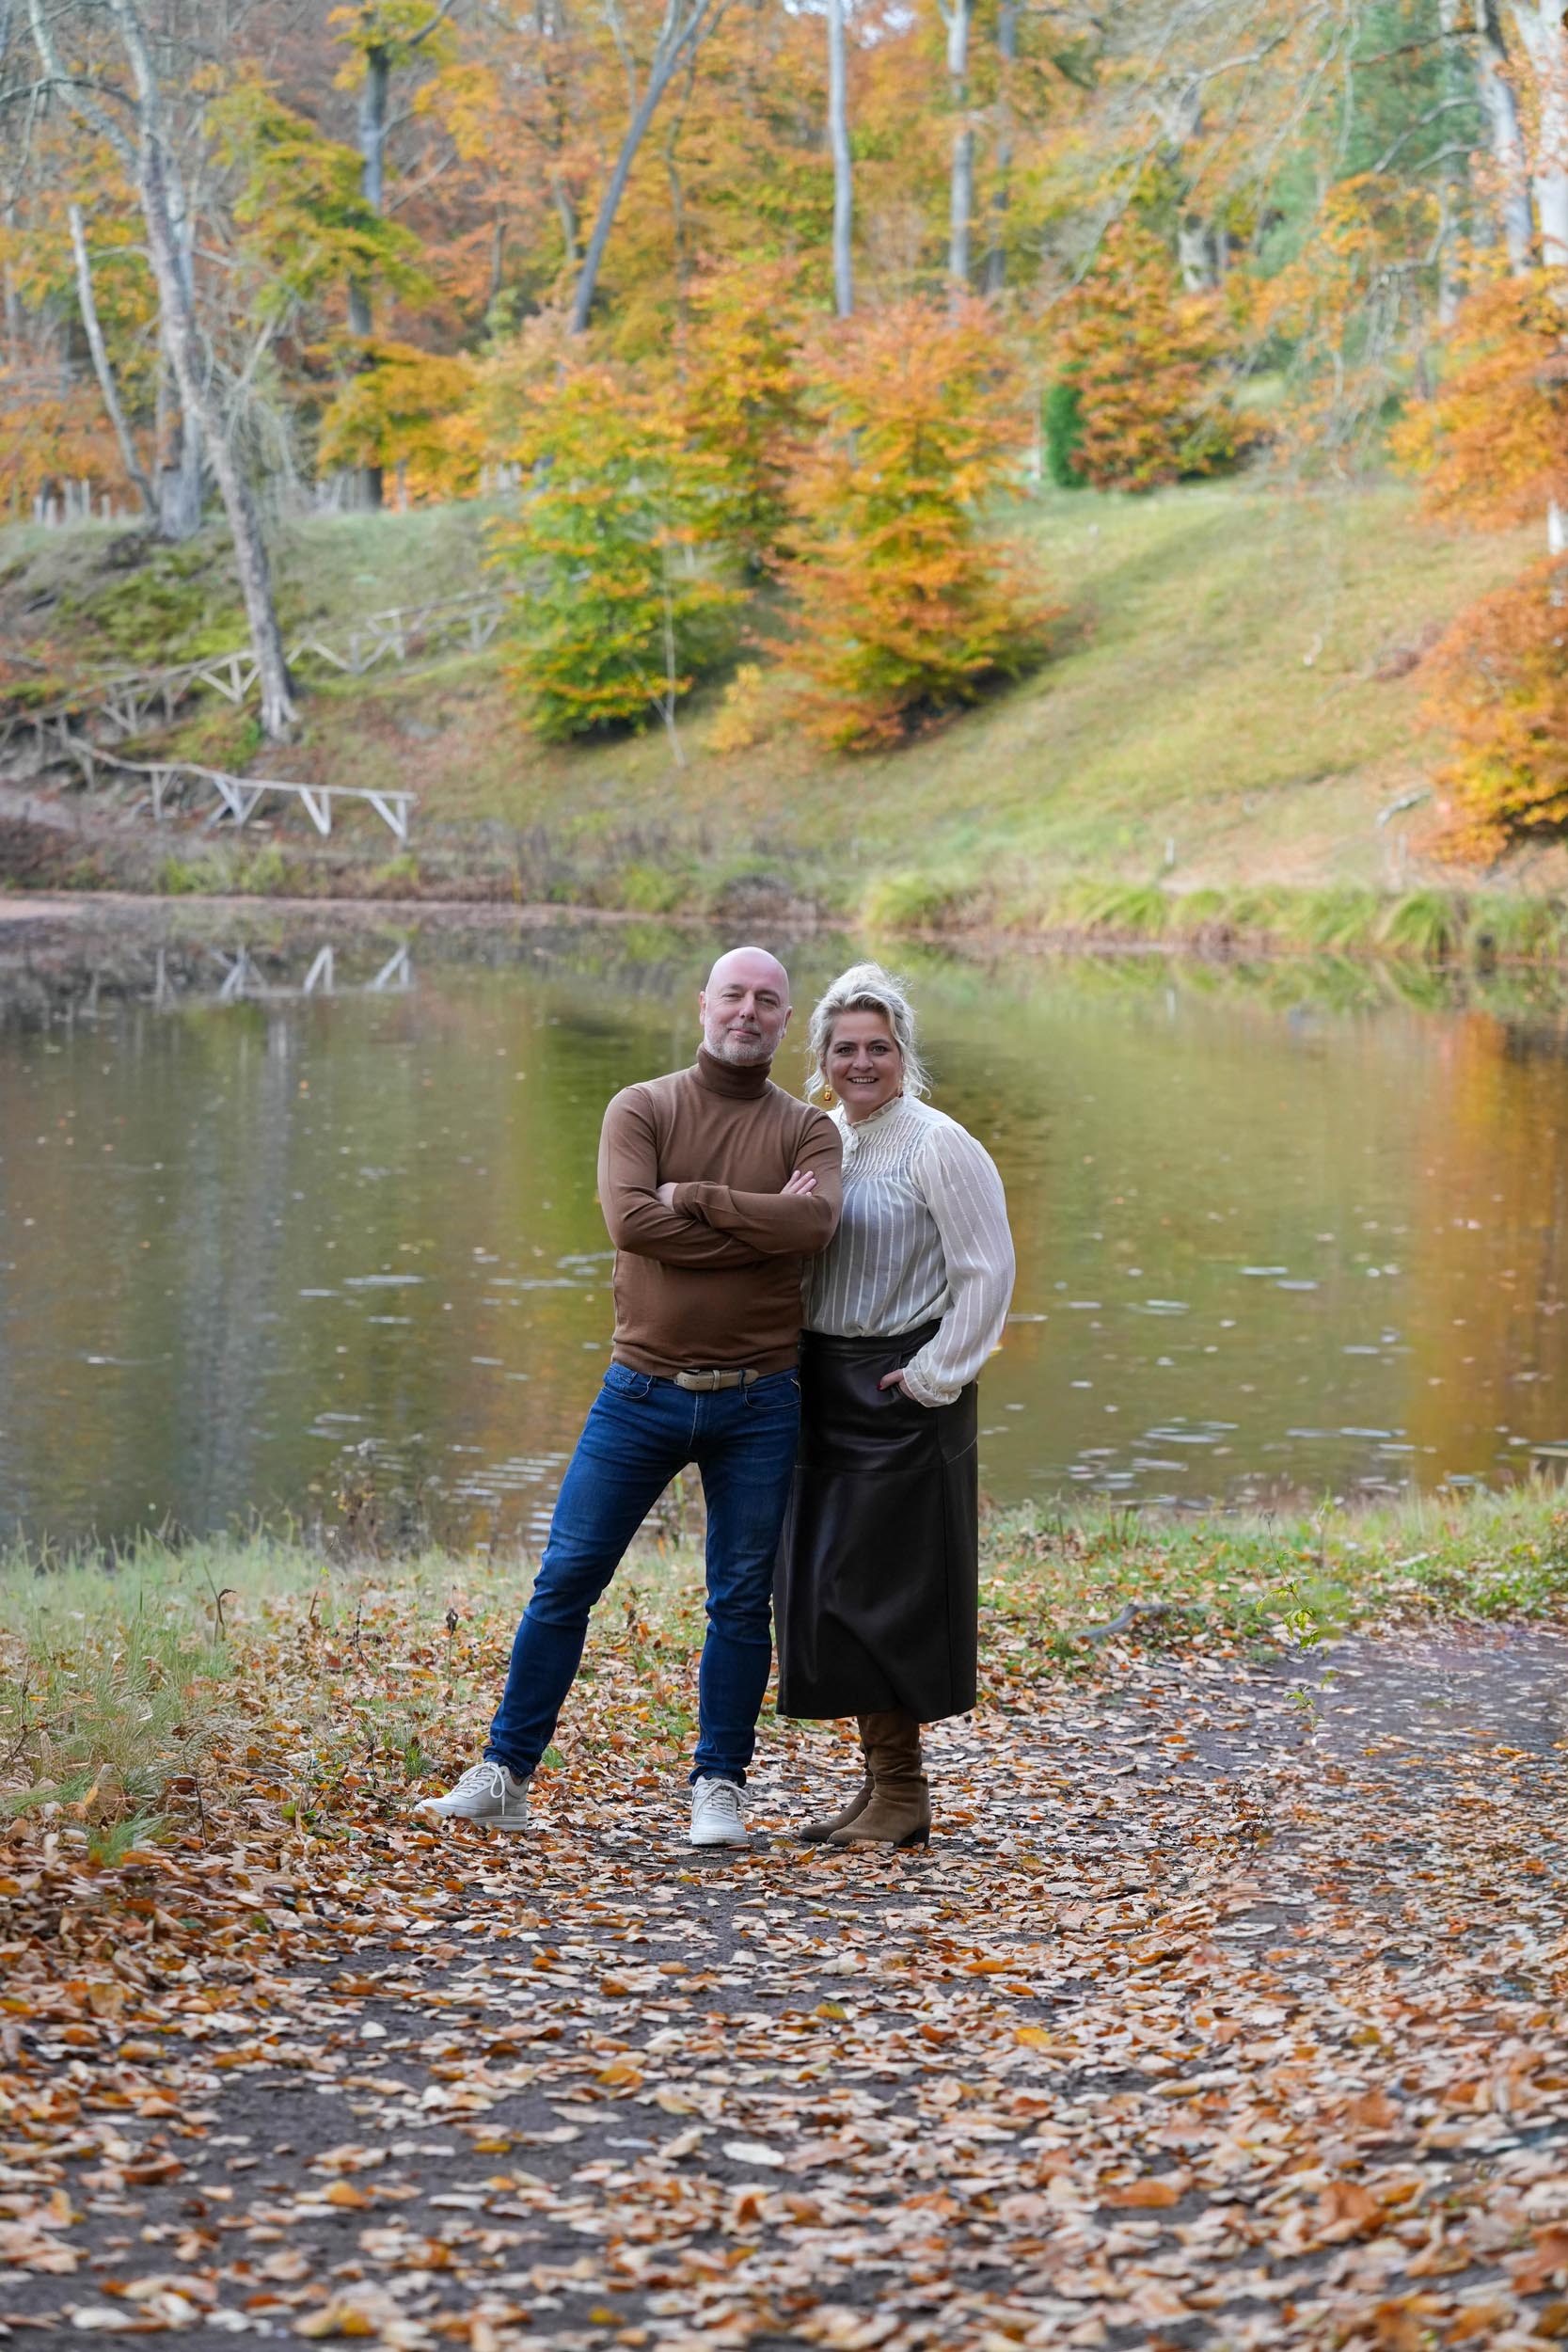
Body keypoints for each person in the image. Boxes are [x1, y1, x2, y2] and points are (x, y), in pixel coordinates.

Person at [418, 946, 842, 1848]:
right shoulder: (641, 1107)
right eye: (734, 994)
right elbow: (630, 1224)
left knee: (738, 1599)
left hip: (760, 1399)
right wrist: (759, 1225)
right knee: (566, 1578)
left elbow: (814, 1225)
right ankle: (505, 1774)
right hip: (640, 1392)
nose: (748, 1012)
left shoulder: (810, 1129)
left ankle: (717, 1788)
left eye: (768, 1001)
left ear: (784, 1019)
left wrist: (697, 1198)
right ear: (702, 1004)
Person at [775, 962, 1015, 1848]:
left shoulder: (937, 1142)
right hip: (820, 1383)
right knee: (828, 1589)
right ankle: (881, 1785)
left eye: (878, 1047)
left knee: (883, 1591)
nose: (861, 1061)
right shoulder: (820, 1140)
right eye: (845, 1048)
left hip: (900, 1388)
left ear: (902, 1053)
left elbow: (986, 1271)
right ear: (823, 1057)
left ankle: (903, 1791)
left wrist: (931, 1375)